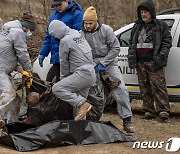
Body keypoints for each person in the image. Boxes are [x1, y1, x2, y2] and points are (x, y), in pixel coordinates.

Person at [81, 6, 134, 133]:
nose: (88, 26)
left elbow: (115, 48)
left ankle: (127, 119)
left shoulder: (106, 30)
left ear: (96, 21)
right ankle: (91, 120)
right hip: (91, 63)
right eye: (86, 23)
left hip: (109, 63)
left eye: (90, 23)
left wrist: (104, 63)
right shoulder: (81, 33)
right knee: (92, 92)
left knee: (120, 89)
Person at [128, 0, 172, 120]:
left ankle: (163, 111)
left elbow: (167, 42)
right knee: (144, 87)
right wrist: (131, 56)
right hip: (140, 62)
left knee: (158, 87)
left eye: (146, 12)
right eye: (141, 12)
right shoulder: (136, 26)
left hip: (154, 61)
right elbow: (131, 42)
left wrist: (161, 56)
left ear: (151, 12)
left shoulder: (160, 25)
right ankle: (149, 111)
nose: (143, 14)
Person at [48, 20, 96, 121]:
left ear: (57, 31)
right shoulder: (76, 34)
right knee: (79, 111)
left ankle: (83, 104)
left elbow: (64, 63)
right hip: (91, 73)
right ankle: (80, 132)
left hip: (82, 74)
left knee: (57, 88)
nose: (55, 38)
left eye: (54, 35)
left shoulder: (65, 41)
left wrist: (64, 80)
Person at [0, 11, 36, 129]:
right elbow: (22, 54)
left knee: (16, 100)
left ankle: (12, 125)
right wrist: (29, 70)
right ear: (26, 27)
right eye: (30, 31)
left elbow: (8, 56)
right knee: (9, 93)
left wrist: (21, 71)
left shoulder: (8, 29)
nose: (29, 33)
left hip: (3, 68)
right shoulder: (18, 32)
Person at [38, 0, 83, 82]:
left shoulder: (77, 14)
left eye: (60, 5)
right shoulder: (53, 16)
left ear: (66, 1)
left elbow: (78, 37)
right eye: (56, 5)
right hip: (56, 57)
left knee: (71, 84)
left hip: (71, 58)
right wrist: (43, 53)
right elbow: (48, 36)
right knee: (59, 83)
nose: (58, 7)